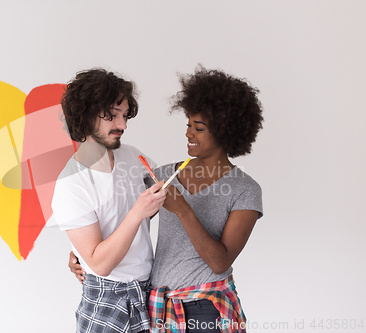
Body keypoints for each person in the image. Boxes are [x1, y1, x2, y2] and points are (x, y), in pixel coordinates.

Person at [70, 65, 264, 333]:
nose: (188, 133)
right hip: (156, 307)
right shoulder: (162, 175)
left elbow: (221, 262)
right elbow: (120, 216)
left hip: (207, 307)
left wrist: (183, 210)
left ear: (224, 131)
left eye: (198, 128)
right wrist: (81, 254)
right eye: (188, 125)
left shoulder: (245, 189)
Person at [52, 68, 167, 333]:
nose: (123, 125)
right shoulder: (71, 183)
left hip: (148, 293)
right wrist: (137, 213)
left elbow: (164, 202)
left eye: (125, 116)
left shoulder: (134, 157)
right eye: (113, 115)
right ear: (86, 114)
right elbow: (101, 264)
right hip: (106, 301)